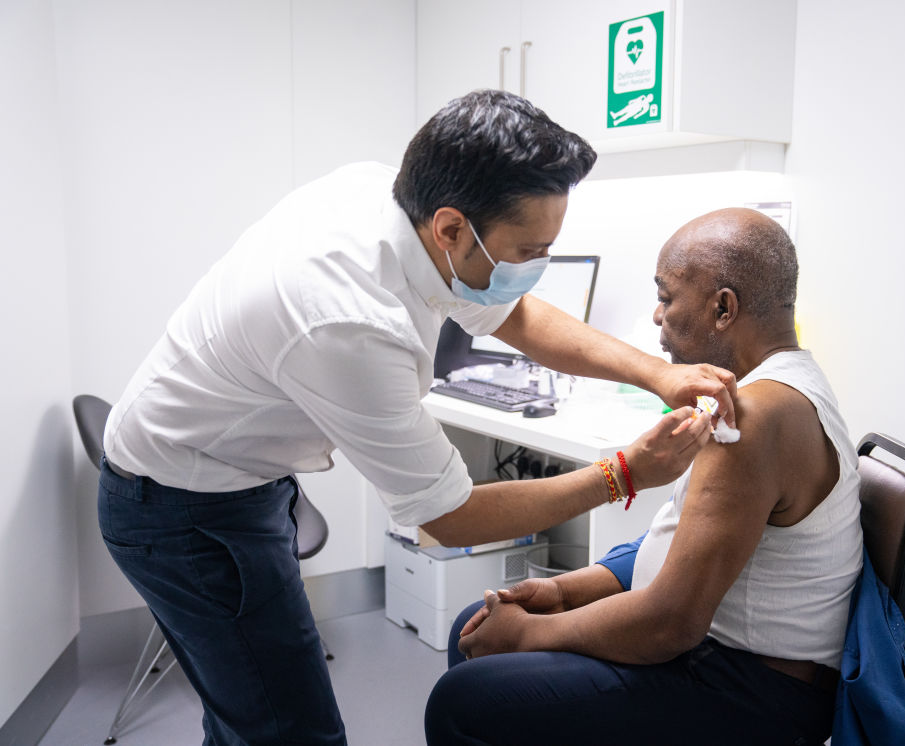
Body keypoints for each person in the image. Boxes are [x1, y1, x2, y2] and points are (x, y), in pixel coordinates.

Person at [98, 89, 736, 745]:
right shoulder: (346, 319)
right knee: (289, 731)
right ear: (452, 228)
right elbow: (447, 515)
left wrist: (654, 372)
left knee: (245, 711)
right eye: (527, 252)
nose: (537, 269)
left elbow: (510, 312)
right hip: (183, 505)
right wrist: (623, 473)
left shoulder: (392, 196)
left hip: (233, 472)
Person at [425, 207, 865, 746]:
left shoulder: (756, 418)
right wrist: (562, 591)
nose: (656, 316)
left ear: (722, 308)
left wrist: (533, 633)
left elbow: (669, 624)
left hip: (748, 689)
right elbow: (678, 541)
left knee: (463, 700)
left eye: (666, 296)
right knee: (476, 625)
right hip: (718, 654)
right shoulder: (775, 386)